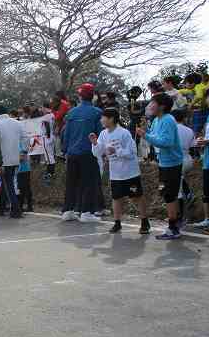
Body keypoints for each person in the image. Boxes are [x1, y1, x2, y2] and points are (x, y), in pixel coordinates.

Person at [90, 108, 150, 234]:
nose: (101, 120)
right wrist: (95, 143)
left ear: (111, 119)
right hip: (115, 173)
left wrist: (116, 151)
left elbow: (132, 153)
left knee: (136, 197)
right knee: (116, 198)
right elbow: (98, 153)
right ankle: (117, 223)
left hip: (130, 172)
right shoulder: (103, 134)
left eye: (103, 117)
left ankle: (145, 221)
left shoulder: (124, 133)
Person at [136, 94, 183, 240]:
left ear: (162, 106)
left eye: (153, 102)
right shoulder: (157, 120)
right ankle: (175, 224)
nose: (150, 105)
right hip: (164, 162)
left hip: (172, 163)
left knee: (170, 195)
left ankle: (173, 228)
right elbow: (155, 136)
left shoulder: (168, 120)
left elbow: (166, 142)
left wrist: (146, 135)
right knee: (168, 194)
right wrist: (146, 131)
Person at [61, 83, 104, 223]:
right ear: (93, 96)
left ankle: (68, 211)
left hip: (72, 153)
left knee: (71, 182)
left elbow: (65, 134)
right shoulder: (97, 112)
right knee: (89, 182)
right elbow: (100, 134)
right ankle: (86, 212)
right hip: (89, 152)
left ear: (79, 96)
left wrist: (65, 150)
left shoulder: (71, 112)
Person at [0, 111, 25, 217]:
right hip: (15, 158)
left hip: (3, 159)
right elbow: (25, 138)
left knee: (8, 184)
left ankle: (16, 210)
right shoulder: (17, 123)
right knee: (6, 182)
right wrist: (23, 151)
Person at [172, 109, 195, 223]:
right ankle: (189, 193)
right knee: (180, 181)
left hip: (176, 161)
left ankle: (179, 217)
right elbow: (192, 146)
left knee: (177, 192)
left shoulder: (172, 129)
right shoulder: (189, 130)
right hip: (188, 160)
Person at [193, 89, 209, 230]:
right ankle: (207, 219)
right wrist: (202, 140)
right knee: (207, 191)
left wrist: (206, 141)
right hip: (207, 160)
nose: (207, 100)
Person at [17, 139, 33, 212]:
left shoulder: (20, 143)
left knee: (23, 188)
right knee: (25, 188)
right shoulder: (21, 142)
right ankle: (27, 206)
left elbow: (22, 156)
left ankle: (23, 206)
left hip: (22, 169)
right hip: (25, 169)